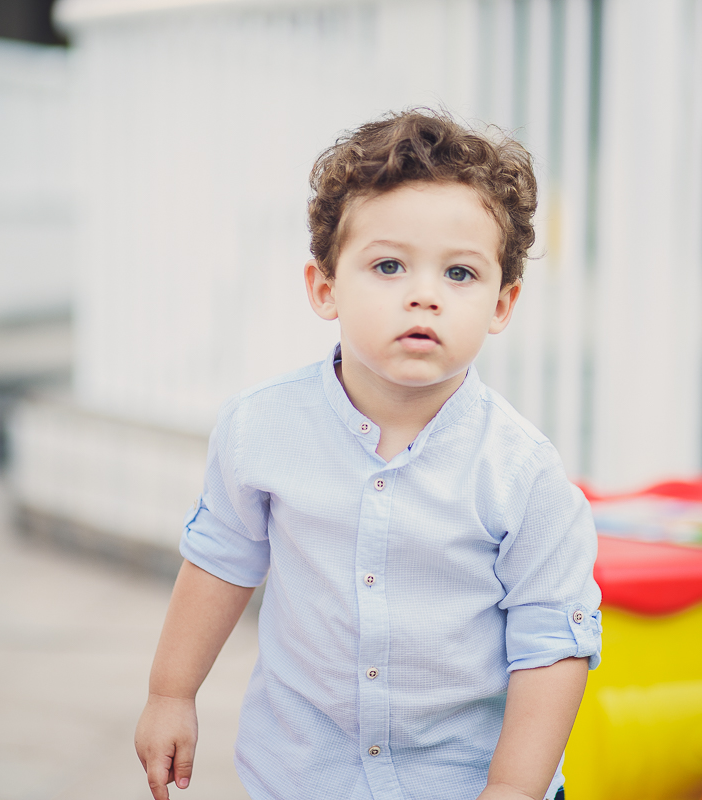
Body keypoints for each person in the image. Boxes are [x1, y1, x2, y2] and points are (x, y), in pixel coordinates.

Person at [134, 109, 602, 800]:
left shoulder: (523, 474)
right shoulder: (260, 430)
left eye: (461, 274)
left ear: (503, 303)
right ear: (325, 287)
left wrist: (510, 791)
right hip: (302, 777)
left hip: (464, 781)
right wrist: (171, 693)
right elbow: (220, 559)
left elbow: (551, 646)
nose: (424, 294)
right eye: (388, 265)